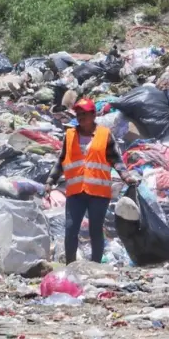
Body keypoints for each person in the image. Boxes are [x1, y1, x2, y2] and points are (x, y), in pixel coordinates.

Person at [46, 98, 139, 264]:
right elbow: (61, 160)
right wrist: (50, 180)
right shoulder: (70, 135)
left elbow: (116, 160)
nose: (81, 117)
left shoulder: (104, 135)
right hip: (75, 191)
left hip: (98, 192)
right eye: (78, 114)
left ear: (93, 115)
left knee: (95, 230)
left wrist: (127, 177)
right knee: (71, 229)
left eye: (84, 114)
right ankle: (71, 266)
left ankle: (96, 266)